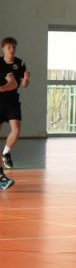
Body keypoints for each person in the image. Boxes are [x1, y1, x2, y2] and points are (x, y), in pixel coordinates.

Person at [0, 36, 29, 171]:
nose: (12, 49)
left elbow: (24, 85)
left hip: (12, 101)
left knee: (16, 130)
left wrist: (26, 80)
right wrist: (7, 85)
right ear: (3, 49)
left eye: (14, 47)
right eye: (9, 47)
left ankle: (6, 153)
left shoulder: (20, 63)